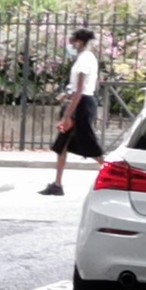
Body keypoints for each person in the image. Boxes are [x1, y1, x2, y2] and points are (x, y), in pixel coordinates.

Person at [43, 27, 105, 195]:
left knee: (90, 143)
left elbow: (80, 90)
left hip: (82, 105)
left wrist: (67, 115)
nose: (70, 44)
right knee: (62, 144)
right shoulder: (84, 58)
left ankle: (111, 171)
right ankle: (57, 184)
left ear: (79, 42)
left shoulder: (85, 59)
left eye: (72, 41)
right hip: (79, 102)